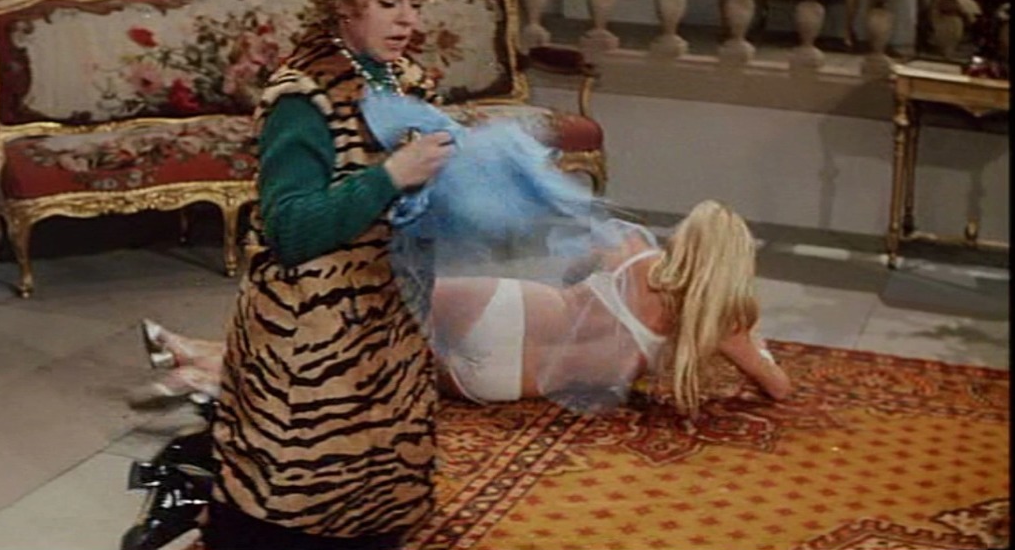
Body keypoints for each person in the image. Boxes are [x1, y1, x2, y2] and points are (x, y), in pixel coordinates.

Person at [145, 200, 793, 419]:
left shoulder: (634, 253)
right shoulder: (723, 322)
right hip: (503, 383)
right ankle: (210, 370)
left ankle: (213, 358)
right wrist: (750, 339)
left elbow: (570, 259)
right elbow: (778, 389)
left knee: (360, 317)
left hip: (508, 310)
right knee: (372, 367)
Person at [202, 0, 453, 550]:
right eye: (388, 2)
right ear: (343, 3)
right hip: (313, 332)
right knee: (303, 486)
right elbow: (290, 229)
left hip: (390, 314)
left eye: (415, 2)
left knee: (384, 468)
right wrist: (390, 177)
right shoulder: (303, 97)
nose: (408, 19)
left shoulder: (405, 79)